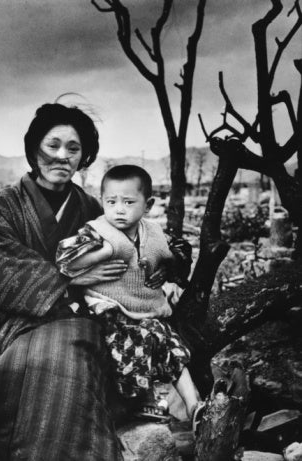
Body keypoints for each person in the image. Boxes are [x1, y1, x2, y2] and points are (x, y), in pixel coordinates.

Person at [0, 103, 166, 460]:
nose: (62, 156)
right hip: (17, 324)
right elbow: (1, 267)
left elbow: (132, 244)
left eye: (74, 148)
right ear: (34, 148)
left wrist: (166, 261)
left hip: (81, 319)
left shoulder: (89, 208)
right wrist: (72, 277)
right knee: (59, 354)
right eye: (52, 145)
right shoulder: (6, 204)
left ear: (84, 156)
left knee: (75, 349)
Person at [56, 165, 204, 428]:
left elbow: (178, 258)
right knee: (138, 339)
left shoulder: (155, 232)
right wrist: (105, 251)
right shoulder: (96, 231)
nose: (119, 209)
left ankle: (196, 408)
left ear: (147, 205)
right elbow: (66, 262)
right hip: (108, 308)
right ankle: (140, 401)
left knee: (172, 345)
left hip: (144, 307)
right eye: (111, 202)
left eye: (128, 202)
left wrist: (170, 268)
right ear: (102, 201)